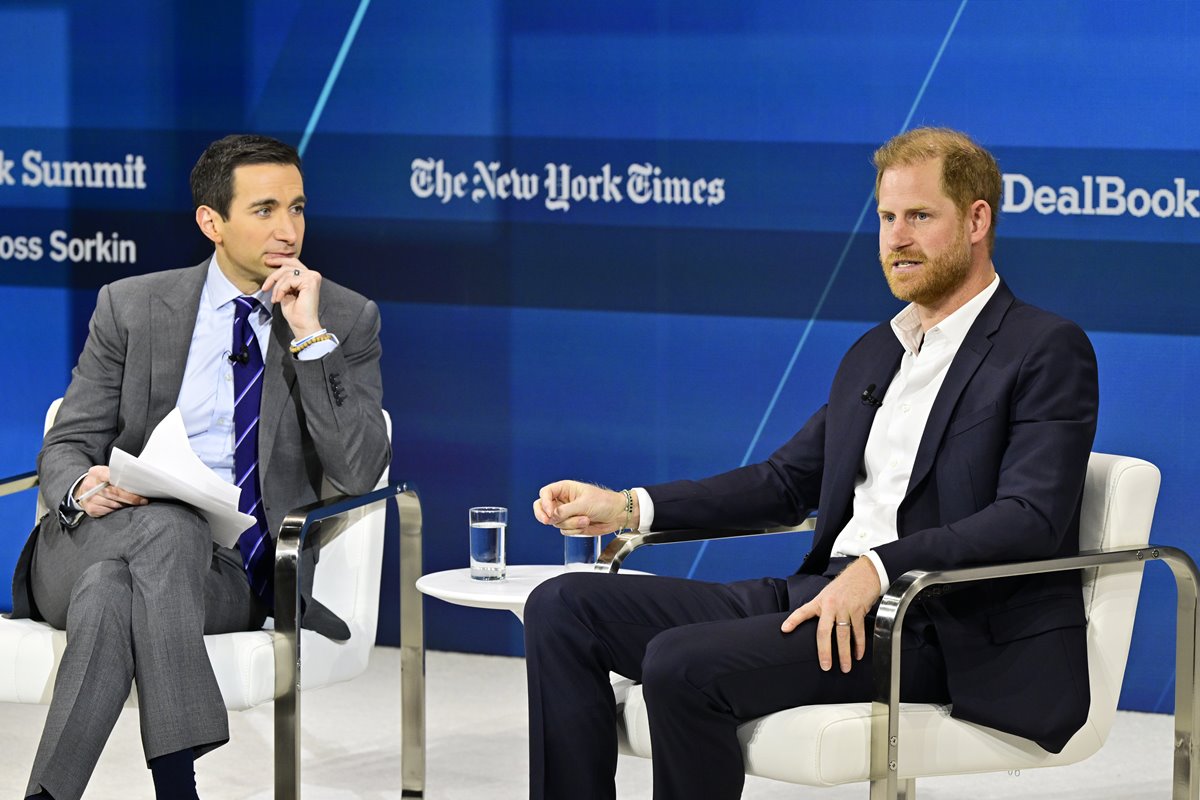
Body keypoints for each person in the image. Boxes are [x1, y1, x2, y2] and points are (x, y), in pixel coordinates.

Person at [526, 127, 1099, 800]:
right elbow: (782, 483)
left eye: (919, 216)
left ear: (977, 220)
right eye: (887, 217)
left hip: (935, 625)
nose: (896, 238)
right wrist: (627, 506)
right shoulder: (876, 352)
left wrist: (881, 567)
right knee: (563, 606)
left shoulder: (1043, 348)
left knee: (679, 662)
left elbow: (1030, 518)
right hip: (822, 595)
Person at [9, 134, 390, 800]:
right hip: (89, 537)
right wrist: (79, 484)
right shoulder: (131, 307)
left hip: (229, 575)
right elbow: (68, 440)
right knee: (163, 531)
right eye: (266, 209)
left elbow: (358, 471)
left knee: (115, 590)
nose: (288, 229)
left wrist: (310, 337)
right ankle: (177, 785)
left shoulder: (344, 320)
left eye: (298, 208)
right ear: (211, 222)